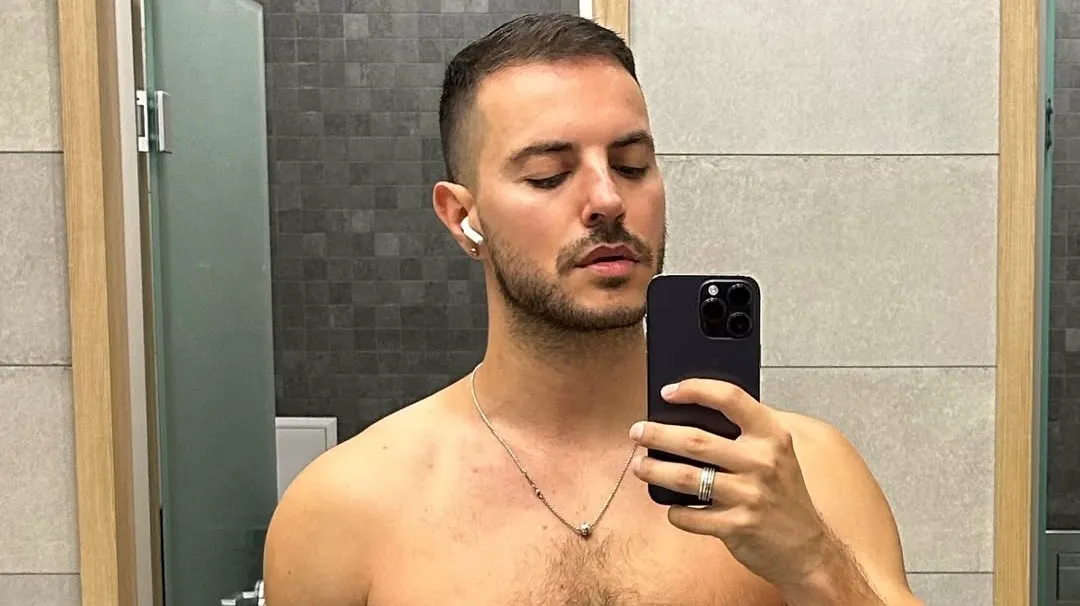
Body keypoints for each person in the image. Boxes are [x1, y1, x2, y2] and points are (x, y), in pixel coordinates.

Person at [263, 13, 924, 606]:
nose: (607, 199)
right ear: (463, 217)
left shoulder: (801, 472)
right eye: (549, 174)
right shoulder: (345, 508)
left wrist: (814, 562)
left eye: (632, 165)